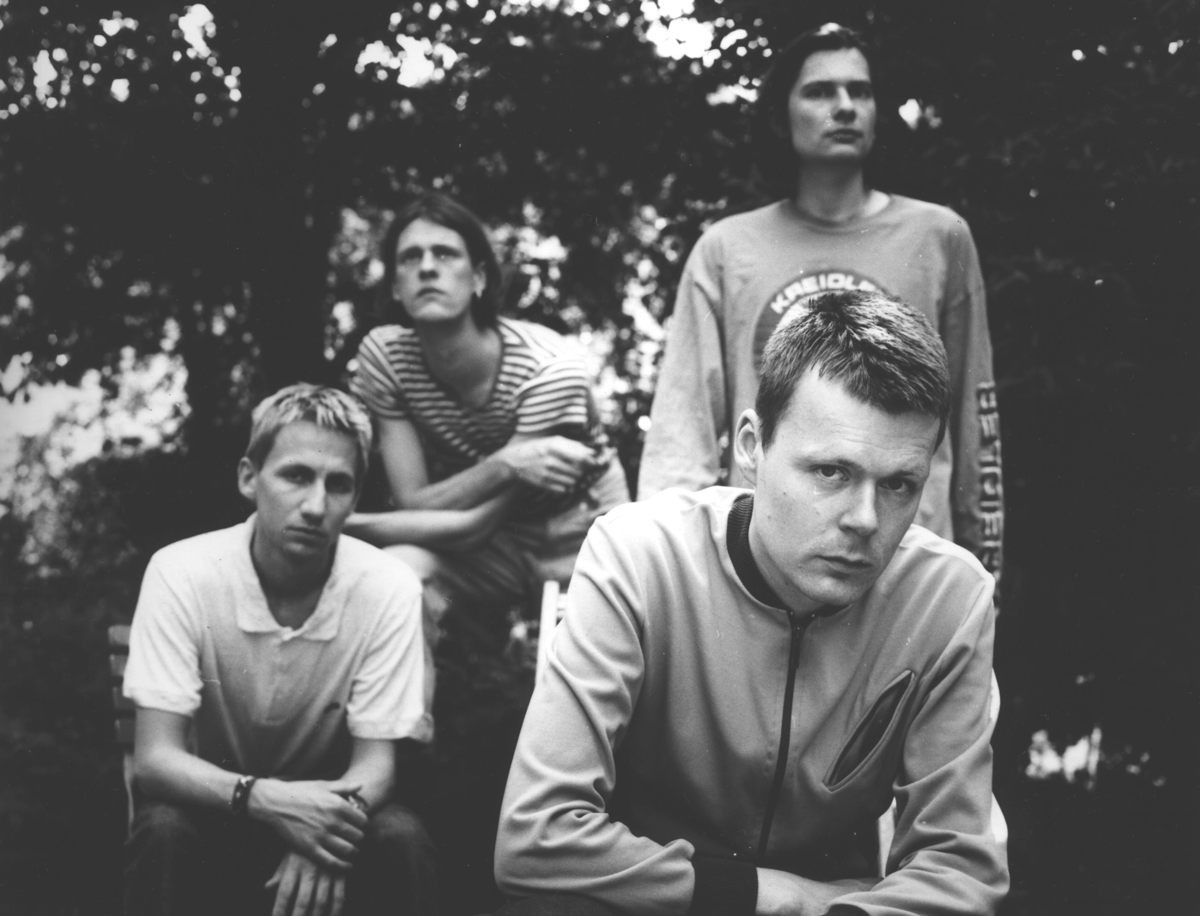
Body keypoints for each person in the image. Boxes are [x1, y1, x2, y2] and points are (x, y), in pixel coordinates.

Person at [495, 290, 1008, 915]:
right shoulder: (639, 557)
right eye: (831, 472)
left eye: (900, 484)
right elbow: (536, 838)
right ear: (751, 446)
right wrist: (769, 895)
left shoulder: (948, 600)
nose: (866, 519)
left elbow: (960, 867)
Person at [638, 22, 1003, 584]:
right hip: (764, 571)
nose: (845, 106)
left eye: (860, 91)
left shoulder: (939, 238)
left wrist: (984, 569)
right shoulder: (728, 250)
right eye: (819, 91)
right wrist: (667, 576)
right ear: (781, 114)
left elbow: (976, 419)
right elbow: (679, 437)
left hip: (906, 568)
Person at [123, 384, 437, 916]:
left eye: (338, 484)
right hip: (217, 810)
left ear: (355, 498)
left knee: (401, 838)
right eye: (296, 476)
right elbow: (154, 760)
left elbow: (376, 766)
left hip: (332, 806)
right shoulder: (183, 572)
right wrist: (270, 803)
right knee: (162, 829)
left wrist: (321, 835)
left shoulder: (387, 586)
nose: (316, 506)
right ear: (249, 478)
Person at [346, 191, 628, 620]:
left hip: (579, 527)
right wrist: (508, 462)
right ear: (396, 288)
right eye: (410, 257)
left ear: (479, 277)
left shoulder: (548, 368)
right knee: (398, 576)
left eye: (445, 254)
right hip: (493, 542)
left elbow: (471, 524)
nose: (427, 267)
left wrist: (346, 524)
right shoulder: (385, 359)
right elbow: (412, 500)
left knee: (582, 648)